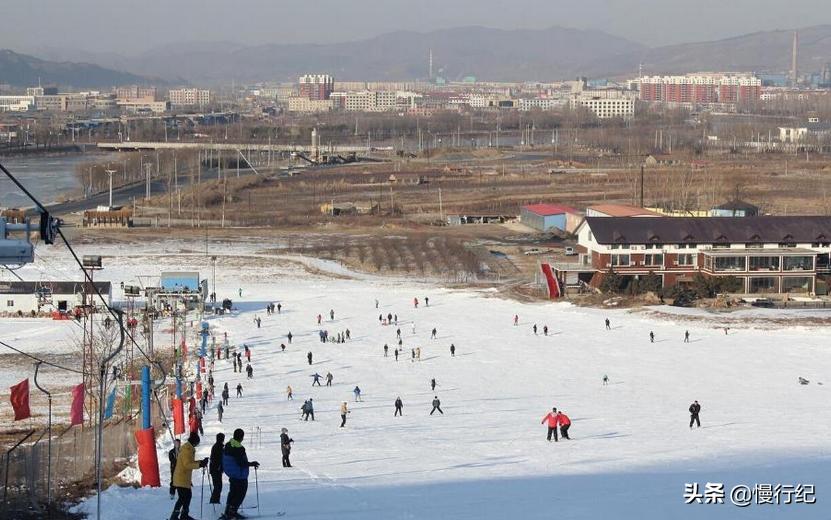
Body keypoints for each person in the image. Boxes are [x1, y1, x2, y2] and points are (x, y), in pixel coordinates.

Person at [221, 429, 260, 520]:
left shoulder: (228, 444)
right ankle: (232, 513)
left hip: (231, 473)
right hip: (239, 474)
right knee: (240, 493)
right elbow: (241, 463)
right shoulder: (238, 448)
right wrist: (251, 463)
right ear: (241, 437)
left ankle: (228, 510)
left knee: (233, 492)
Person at [170, 432, 208, 520]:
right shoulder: (187, 450)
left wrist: (200, 462)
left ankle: (183, 515)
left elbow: (190, 462)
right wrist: (200, 465)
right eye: (197, 443)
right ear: (194, 442)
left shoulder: (189, 448)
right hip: (181, 478)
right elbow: (187, 464)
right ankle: (176, 516)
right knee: (183, 498)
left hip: (184, 478)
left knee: (186, 496)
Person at [209, 433, 225, 504]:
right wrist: (219, 467)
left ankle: (215, 500)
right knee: (218, 486)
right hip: (216, 469)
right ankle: (214, 500)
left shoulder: (217, 446)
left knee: (217, 486)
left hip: (215, 469)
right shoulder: (219, 447)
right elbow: (218, 459)